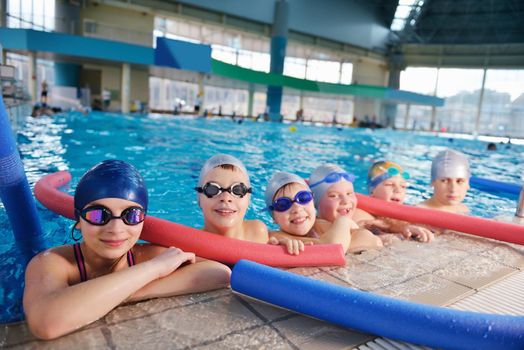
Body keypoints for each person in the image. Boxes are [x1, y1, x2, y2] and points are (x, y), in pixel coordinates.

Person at [23, 160, 231, 340]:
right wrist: (153, 270)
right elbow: (46, 323)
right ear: (78, 220)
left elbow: (220, 273)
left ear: (142, 221)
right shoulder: (51, 262)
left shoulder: (143, 255)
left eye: (130, 215)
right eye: (98, 215)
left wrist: (122, 292)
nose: (115, 229)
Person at [265, 172, 354, 255]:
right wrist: (344, 221)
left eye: (303, 198)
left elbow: (364, 235)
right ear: (273, 217)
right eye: (283, 204)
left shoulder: (321, 225)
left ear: (313, 202)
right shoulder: (275, 237)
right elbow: (332, 248)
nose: (297, 208)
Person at [309, 164, 383, 252]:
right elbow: (333, 249)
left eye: (349, 193)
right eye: (333, 196)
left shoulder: (359, 216)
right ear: (315, 202)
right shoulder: (314, 227)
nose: (345, 200)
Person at [196, 154, 269, 243]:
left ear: (248, 199)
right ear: (199, 198)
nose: (226, 198)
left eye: (238, 190)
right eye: (212, 189)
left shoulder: (258, 232)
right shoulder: (190, 244)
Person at [364, 161, 434, 243]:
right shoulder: (364, 212)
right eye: (389, 184)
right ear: (372, 191)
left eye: (403, 186)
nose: (398, 190)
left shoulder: (410, 212)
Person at [418, 149, 470, 214]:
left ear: (468, 184)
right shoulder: (418, 213)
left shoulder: (463, 209)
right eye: (445, 181)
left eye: (459, 181)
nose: (453, 189)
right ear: (433, 182)